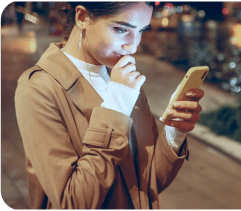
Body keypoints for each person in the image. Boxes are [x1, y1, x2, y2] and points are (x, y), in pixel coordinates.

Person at [14, 2, 204, 210]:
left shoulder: (124, 79)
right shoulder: (38, 88)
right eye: (121, 29)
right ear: (82, 17)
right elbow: (73, 202)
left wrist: (174, 132)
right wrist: (116, 107)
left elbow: (147, 183)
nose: (133, 46)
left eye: (140, 31)